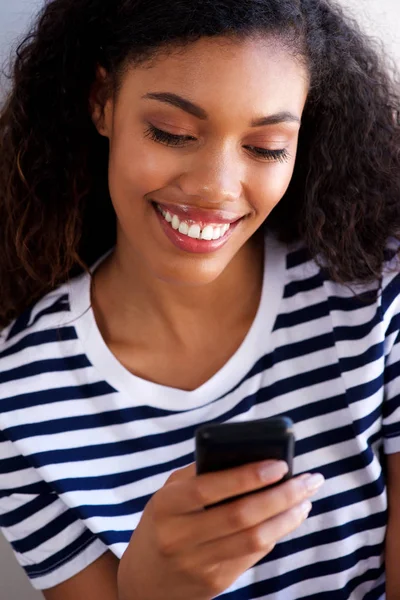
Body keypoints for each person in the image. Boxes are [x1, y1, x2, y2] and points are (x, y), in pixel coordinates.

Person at [0, 0, 399, 598]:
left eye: (266, 148)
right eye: (173, 132)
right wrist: (150, 590)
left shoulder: (374, 292)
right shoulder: (18, 404)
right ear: (102, 101)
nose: (215, 187)